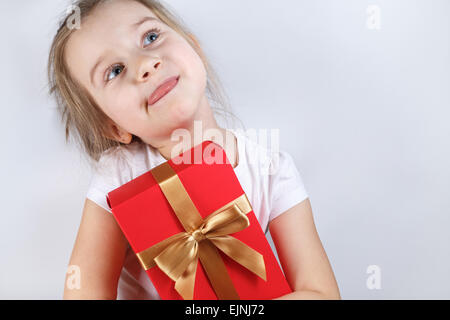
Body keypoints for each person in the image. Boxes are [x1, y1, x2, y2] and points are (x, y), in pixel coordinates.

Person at [47, 0, 341, 300]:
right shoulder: (118, 176)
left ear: (195, 48)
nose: (145, 64)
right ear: (113, 128)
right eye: (116, 70)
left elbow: (322, 293)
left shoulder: (273, 171)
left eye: (150, 37)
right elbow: (85, 290)